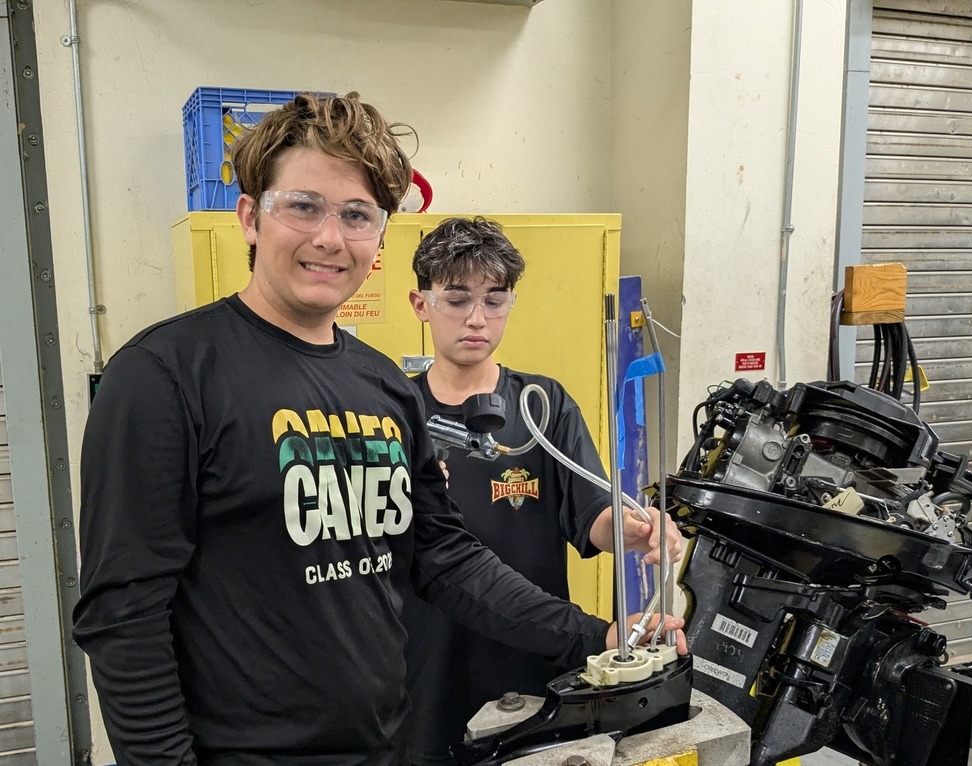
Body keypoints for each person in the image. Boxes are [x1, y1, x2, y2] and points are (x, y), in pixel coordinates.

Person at [71, 92, 684, 766]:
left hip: (384, 745)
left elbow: (444, 558)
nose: (330, 238)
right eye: (302, 206)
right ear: (250, 217)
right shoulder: (164, 375)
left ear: (380, 237)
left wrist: (601, 639)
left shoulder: (384, 385)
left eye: (357, 215)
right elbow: (123, 616)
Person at [403, 216, 685, 766]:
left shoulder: (541, 405)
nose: (477, 319)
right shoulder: (396, 409)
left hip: (533, 654)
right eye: (457, 300)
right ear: (421, 304)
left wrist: (634, 528)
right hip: (425, 661)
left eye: (495, 300)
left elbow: (592, 511)